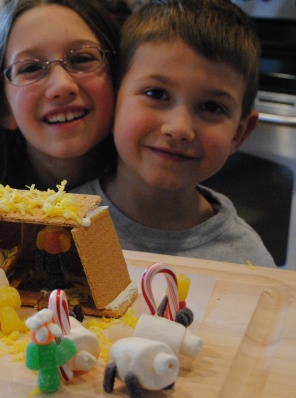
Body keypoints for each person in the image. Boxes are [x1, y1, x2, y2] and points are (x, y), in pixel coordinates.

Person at [73, 0, 276, 267]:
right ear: (112, 99)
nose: (179, 128)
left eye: (212, 107)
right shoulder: (59, 224)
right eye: (156, 94)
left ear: (239, 133)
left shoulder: (249, 261)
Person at [0, 0, 120, 191]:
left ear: (119, 78)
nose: (60, 86)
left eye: (82, 59)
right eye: (31, 68)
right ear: (3, 108)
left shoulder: (147, 189)